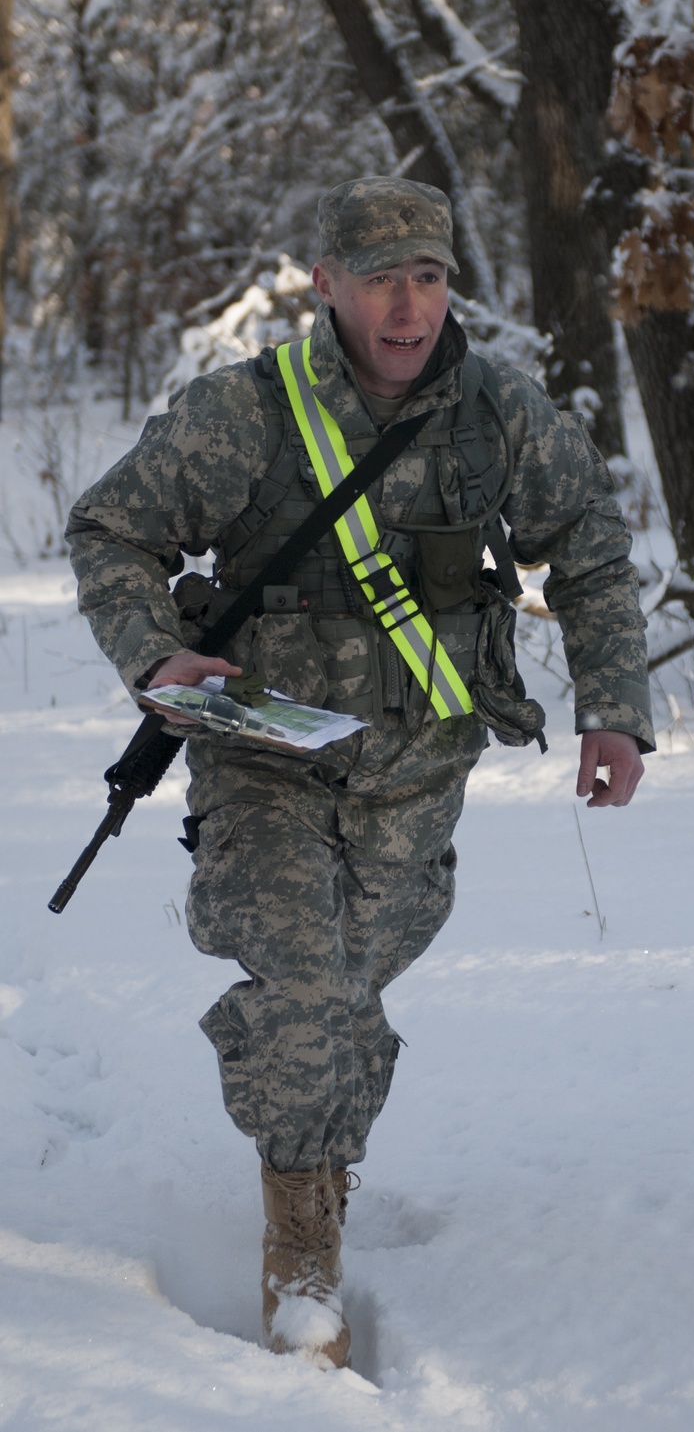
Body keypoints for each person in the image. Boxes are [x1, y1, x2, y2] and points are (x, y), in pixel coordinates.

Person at [66, 177, 654, 1371]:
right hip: (262, 761)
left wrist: (616, 709)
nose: (406, 306)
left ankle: (318, 1169)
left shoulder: (497, 418)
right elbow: (109, 528)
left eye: (428, 277)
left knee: (351, 998)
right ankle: (300, 1260)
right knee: (303, 981)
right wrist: (153, 651)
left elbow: (589, 546)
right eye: (380, 278)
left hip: (417, 768)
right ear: (326, 285)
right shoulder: (249, 414)